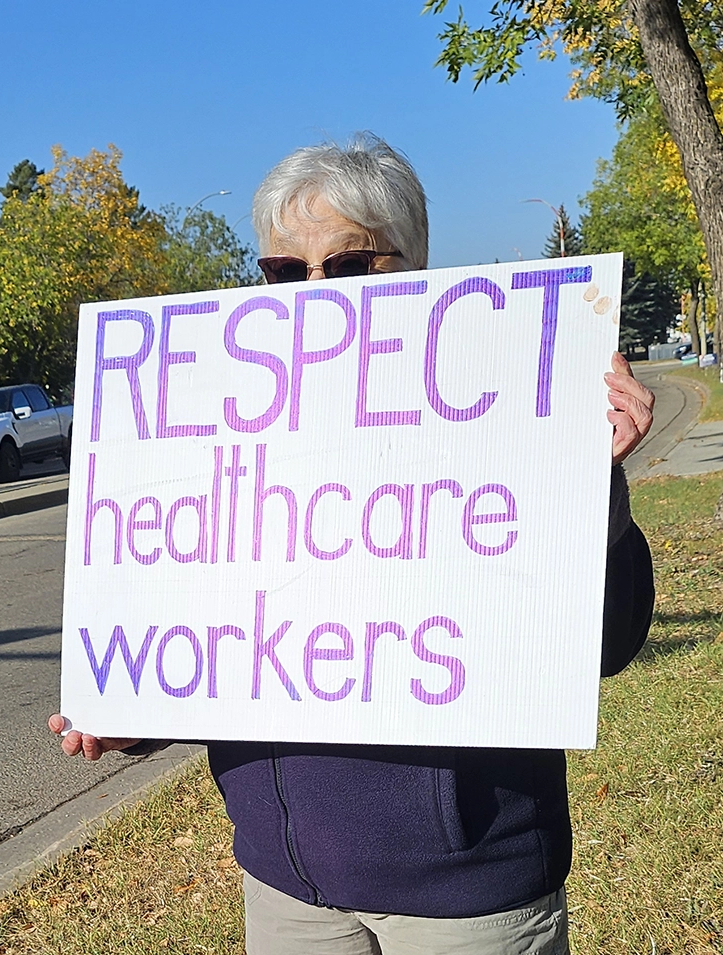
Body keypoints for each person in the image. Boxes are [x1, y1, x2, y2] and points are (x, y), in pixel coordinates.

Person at [49, 133, 655, 954]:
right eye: (284, 271)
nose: (315, 292)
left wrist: (591, 484)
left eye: (347, 264)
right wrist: (136, 714)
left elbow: (608, 644)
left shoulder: (505, 408)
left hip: (469, 897)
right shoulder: (230, 431)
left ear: (413, 265)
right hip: (286, 889)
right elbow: (232, 636)